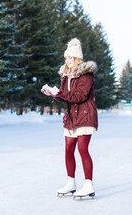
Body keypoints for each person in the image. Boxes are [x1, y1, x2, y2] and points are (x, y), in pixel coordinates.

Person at [41, 38, 98, 198]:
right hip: (71, 117)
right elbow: (66, 97)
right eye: (66, 58)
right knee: (68, 150)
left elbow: (80, 96)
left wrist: (61, 94)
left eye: (70, 58)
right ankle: (70, 182)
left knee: (82, 149)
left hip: (85, 115)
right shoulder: (65, 76)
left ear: (77, 59)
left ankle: (88, 184)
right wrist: (53, 94)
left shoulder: (86, 75)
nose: (68, 61)